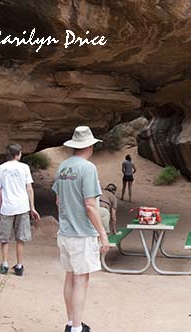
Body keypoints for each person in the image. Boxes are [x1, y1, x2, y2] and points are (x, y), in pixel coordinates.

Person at [52, 126, 110, 332]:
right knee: (81, 280)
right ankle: (77, 328)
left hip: (65, 233)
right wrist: (103, 234)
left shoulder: (62, 167)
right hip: (82, 234)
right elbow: (90, 205)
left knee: (70, 276)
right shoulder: (88, 168)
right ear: (90, 146)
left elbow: (58, 200)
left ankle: (70, 323)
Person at [0, 143, 41, 276]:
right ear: (18, 154)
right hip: (22, 207)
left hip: (7, 207)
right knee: (20, 238)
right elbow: (29, 188)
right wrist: (32, 207)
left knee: (5, 238)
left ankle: (5, 264)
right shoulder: (24, 168)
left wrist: (2, 206)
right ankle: (19, 266)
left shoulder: (0, 169)